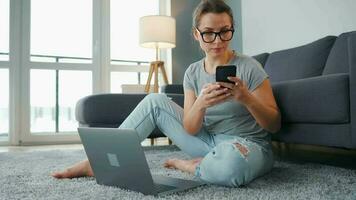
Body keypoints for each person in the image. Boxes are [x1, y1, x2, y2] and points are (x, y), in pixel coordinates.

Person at [52, 0, 281, 187]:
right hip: (207, 141)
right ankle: (96, 161)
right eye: (209, 33)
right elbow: (191, 128)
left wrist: (246, 98)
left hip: (247, 145)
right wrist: (200, 104)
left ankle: (192, 166)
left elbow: (273, 125)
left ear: (232, 30)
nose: (218, 41)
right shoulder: (192, 72)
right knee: (154, 100)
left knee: (231, 169)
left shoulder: (249, 67)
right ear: (196, 34)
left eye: (224, 32)